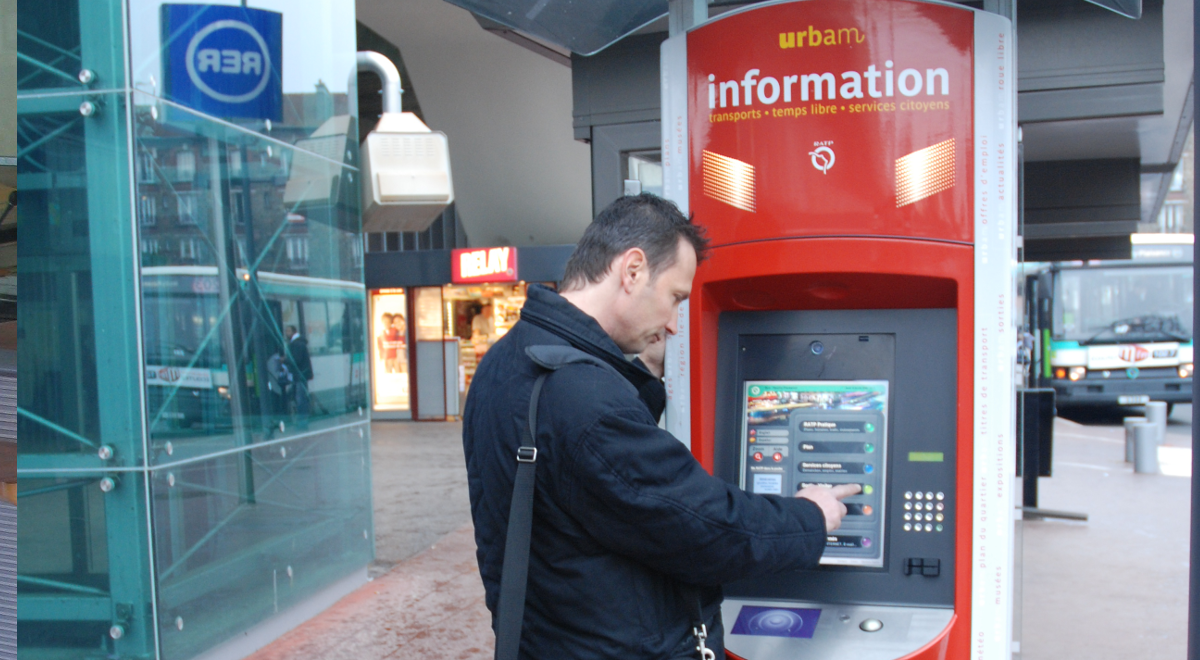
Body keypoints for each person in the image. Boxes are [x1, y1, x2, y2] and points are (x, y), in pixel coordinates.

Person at [463, 194, 857, 659]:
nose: (673, 325)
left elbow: (594, 487)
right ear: (632, 270)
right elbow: (703, 526)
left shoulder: (506, 361)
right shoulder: (585, 399)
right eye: (675, 298)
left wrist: (637, 378)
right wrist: (809, 516)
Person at [285, 325, 313, 429]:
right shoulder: (299, 343)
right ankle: (302, 422)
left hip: (300, 375)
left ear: (293, 332)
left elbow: (296, 360)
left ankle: (302, 423)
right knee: (300, 398)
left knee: (301, 399)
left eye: (288, 331)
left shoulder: (297, 344)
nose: (286, 333)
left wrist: (284, 360)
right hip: (301, 375)